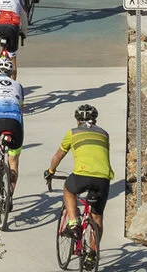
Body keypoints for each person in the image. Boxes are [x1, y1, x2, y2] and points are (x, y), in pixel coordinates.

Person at [46, 101, 113, 241]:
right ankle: (92, 252)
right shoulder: (104, 134)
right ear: (95, 120)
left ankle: (73, 223)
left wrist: (51, 171)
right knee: (97, 217)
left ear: (77, 120)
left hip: (82, 175)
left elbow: (58, 156)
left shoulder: (72, 133)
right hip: (103, 178)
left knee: (68, 190)